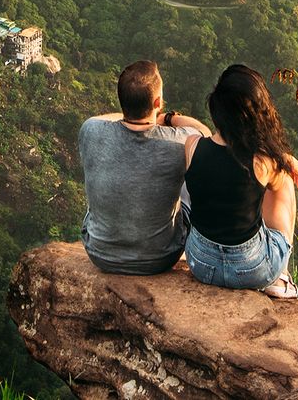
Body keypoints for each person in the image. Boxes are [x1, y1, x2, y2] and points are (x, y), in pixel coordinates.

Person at [183, 64, 298, 299]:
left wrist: (168, 117)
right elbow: (265, 159)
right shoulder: (263, 162)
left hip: (200, 265)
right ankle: (280, 276)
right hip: (252, 270)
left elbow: (207, 138)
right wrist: (285, 159)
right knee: (283, 182)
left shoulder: (192, 146)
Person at [78, 59, 211, 275]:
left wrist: (127, 116)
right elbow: (203, 132)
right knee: (190, 165)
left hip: (100, 254)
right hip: (160, 258)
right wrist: (167, 118)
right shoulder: (179, 142)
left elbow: (99, 119)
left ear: (121, 100)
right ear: (157, 101)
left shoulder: (91, 131)